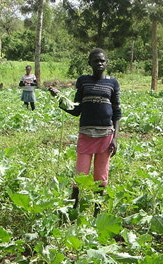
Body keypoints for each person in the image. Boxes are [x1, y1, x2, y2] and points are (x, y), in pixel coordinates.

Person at [49, 48, 121, 212]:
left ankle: (97, 211)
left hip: (106, 136)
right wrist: (60, 98)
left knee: (101, 177)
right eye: (96, 60)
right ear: (90, 63)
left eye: (102, 60)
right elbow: (76, 110)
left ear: (106, 63)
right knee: (80, 175)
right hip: (86, 135)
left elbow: (117, 113)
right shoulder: (83, 81)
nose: (99, 63)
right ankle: (73, 209)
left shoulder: (113, 83)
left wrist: (115, 139)